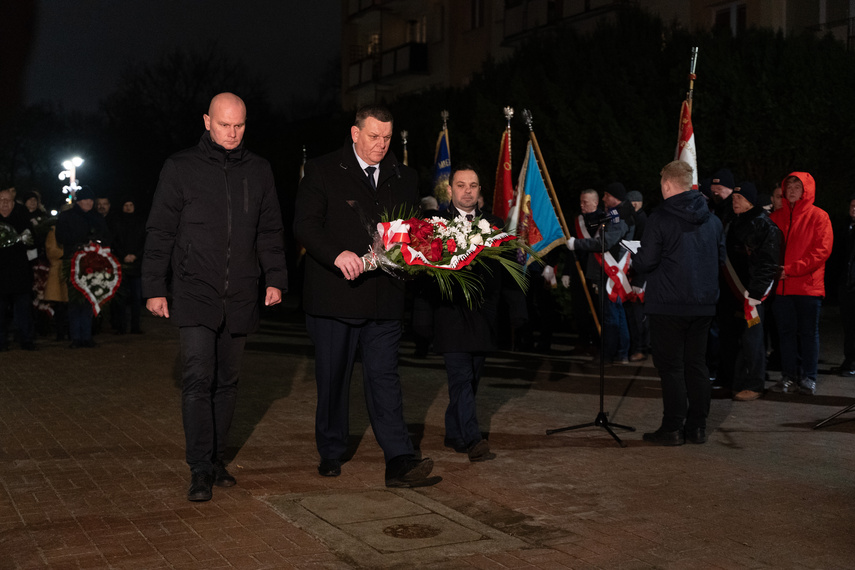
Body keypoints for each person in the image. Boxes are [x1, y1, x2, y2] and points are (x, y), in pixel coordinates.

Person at [142, 92, 288, 502]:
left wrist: (275, 277)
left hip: (241, 292)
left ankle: (218, 459)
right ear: (207, 121)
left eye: (239, 126)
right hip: (193, 290)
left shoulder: (259, 170)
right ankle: (199, 469)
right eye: (224, 125)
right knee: (196, 379)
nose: (232, 133)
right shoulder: (180, 167)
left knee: (228, 382)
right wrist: (154, 285)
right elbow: (160, 231)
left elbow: (270, 230)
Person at [294, 104, 436, 488]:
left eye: (387, 137)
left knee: (385, 378)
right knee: (333, 379)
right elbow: (305, 225)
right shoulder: (323, 171)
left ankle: (400, 458)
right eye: (374, 136)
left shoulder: (405, 176)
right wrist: (335, 254)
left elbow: (410, 229)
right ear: (355, 134)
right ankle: (331, 449)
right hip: (334, 298)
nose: (381, 144)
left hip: (384, 298)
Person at [633, 160, 724, 446]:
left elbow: (647, 260)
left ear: (667, 185)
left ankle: (672, 428)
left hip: (668, 304)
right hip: (703, 304)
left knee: (671, 367)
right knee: (696, 365)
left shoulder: (660, 218)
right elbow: (719, 260)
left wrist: (635, 260)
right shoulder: (714, 220)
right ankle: (697, 427)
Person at [432, 164, 500, 462]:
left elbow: (502, 276)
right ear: (450, 189)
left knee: (471, 379)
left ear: (479, 189)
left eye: (473, 185)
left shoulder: (495, 225)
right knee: (460, 377)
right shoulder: (435, 225)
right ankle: (473, 440)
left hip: (482, 317)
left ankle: (454, 431)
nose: (467, 190)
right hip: (451, 315)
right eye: (461, 185)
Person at [768, 172, 833, 395]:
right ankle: (788, 376)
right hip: (782, 288)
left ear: (807, 190)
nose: (793, 189)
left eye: (798, 186)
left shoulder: (819, 216)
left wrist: (789, 270)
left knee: (808, 334)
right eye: (789, 186)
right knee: (785, 335)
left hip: (807, 287)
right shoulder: (775, 218)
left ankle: (809, 377)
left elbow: (821, 252)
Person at [717, 182, 781, 401]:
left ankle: (754, 384)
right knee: (732, 339)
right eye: (734, 197)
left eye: (740, 198)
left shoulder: (764, 225)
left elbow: (767, 263)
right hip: (731, 293)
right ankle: (733, 382)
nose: (735, 201)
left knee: (752, 339)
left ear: (750, 201)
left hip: (751, 296)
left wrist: (755, 294)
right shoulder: (732, 221)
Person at [566, 182, 634, 364]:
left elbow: (604, 242)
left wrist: (576, 244)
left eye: (606, 195)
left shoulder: (618, 217)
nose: (604, 199)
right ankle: (620, 353)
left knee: (611, 316)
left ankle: (610, 354)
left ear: (615, 197)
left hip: (610, 272)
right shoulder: (615, 215)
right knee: (615, 314)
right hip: (608, 272)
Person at [55, 187, 110, 348]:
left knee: (88, 299)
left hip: (93, 261)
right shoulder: (67, 216)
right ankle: (76, 337)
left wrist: (96, 242)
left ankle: (86, 335)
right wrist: (79, 243)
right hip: (73, 261)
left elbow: (106, 236)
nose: (89, 203)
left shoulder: (97, 217)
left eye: (91, 200)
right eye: (86, 200)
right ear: (79, 201)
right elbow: (61, 236)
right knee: (74, 300)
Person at [0, 187, 36, 351]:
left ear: (14, 203)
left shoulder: (22, 219)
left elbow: (33, 242)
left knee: (23, 308)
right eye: (1, 200)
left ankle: (26, 339)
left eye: (8, 200)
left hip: (19, 272)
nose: (4, 203)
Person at [112, 199, 146, 334]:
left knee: (136, 298)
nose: (128, 208)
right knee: (121, 298)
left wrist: (136, 256)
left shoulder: (140, 223)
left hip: (136, 266)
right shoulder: (118, 222)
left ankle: (135, 326)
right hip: (121, 264)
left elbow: (145, 242)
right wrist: (124, 255)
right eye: (125, 205)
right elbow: (115, 242)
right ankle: (121, 326)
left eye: (131, 205)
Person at [831, 194, 855, 376]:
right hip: (846, 284)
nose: (854, 209)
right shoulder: (844, 229)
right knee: (848, 325)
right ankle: (849, 359)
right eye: (852, 205)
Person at [624, 189, 649, 362]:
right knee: (633, 315)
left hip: (638, 273)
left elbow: (644, 248)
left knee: (638, 315)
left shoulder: (641, 221)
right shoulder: (635, 219)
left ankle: (641, 348)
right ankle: (636, 347)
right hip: (633, 271)